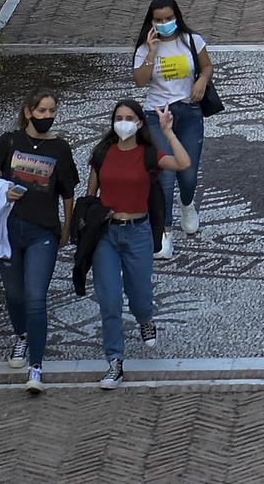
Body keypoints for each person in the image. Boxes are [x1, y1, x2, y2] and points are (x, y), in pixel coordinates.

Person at [0, 88, 79, 395]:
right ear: (28, 112)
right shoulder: (10, 142)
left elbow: (68, 191)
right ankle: (20, 335)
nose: (47, 117)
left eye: (51, 111)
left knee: (36, 298)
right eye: (42, 111)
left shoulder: (60, 148)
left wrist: (66, 228)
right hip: (8, 229)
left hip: (42, 232)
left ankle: (36, 365)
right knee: (14, 294)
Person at [86, 99, 191, 390]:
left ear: (139, 123)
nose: (123, 122)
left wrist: (168, 133)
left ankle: (145, 319)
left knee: (140, 294)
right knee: (109, 300)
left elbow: (183, 164)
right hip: (106, 234)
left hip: (138, 233)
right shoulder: (102, 154)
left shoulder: (148, 155)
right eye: (118, 117)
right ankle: (114, 361)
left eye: (129, 117)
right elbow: (90, 195)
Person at [132, 0, 213, 260]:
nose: (164, 23)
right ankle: (164, 232)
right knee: (165, 175)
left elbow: (207, 67)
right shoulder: (144, 48)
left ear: (177, 17)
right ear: (151, 21)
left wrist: (201, 82)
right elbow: (141, 81)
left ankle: (187, 204)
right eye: (158, 19)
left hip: (189, 112)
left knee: (188, 173)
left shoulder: (192, 40)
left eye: (169, 18)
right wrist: (152, 52)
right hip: (157, 114)